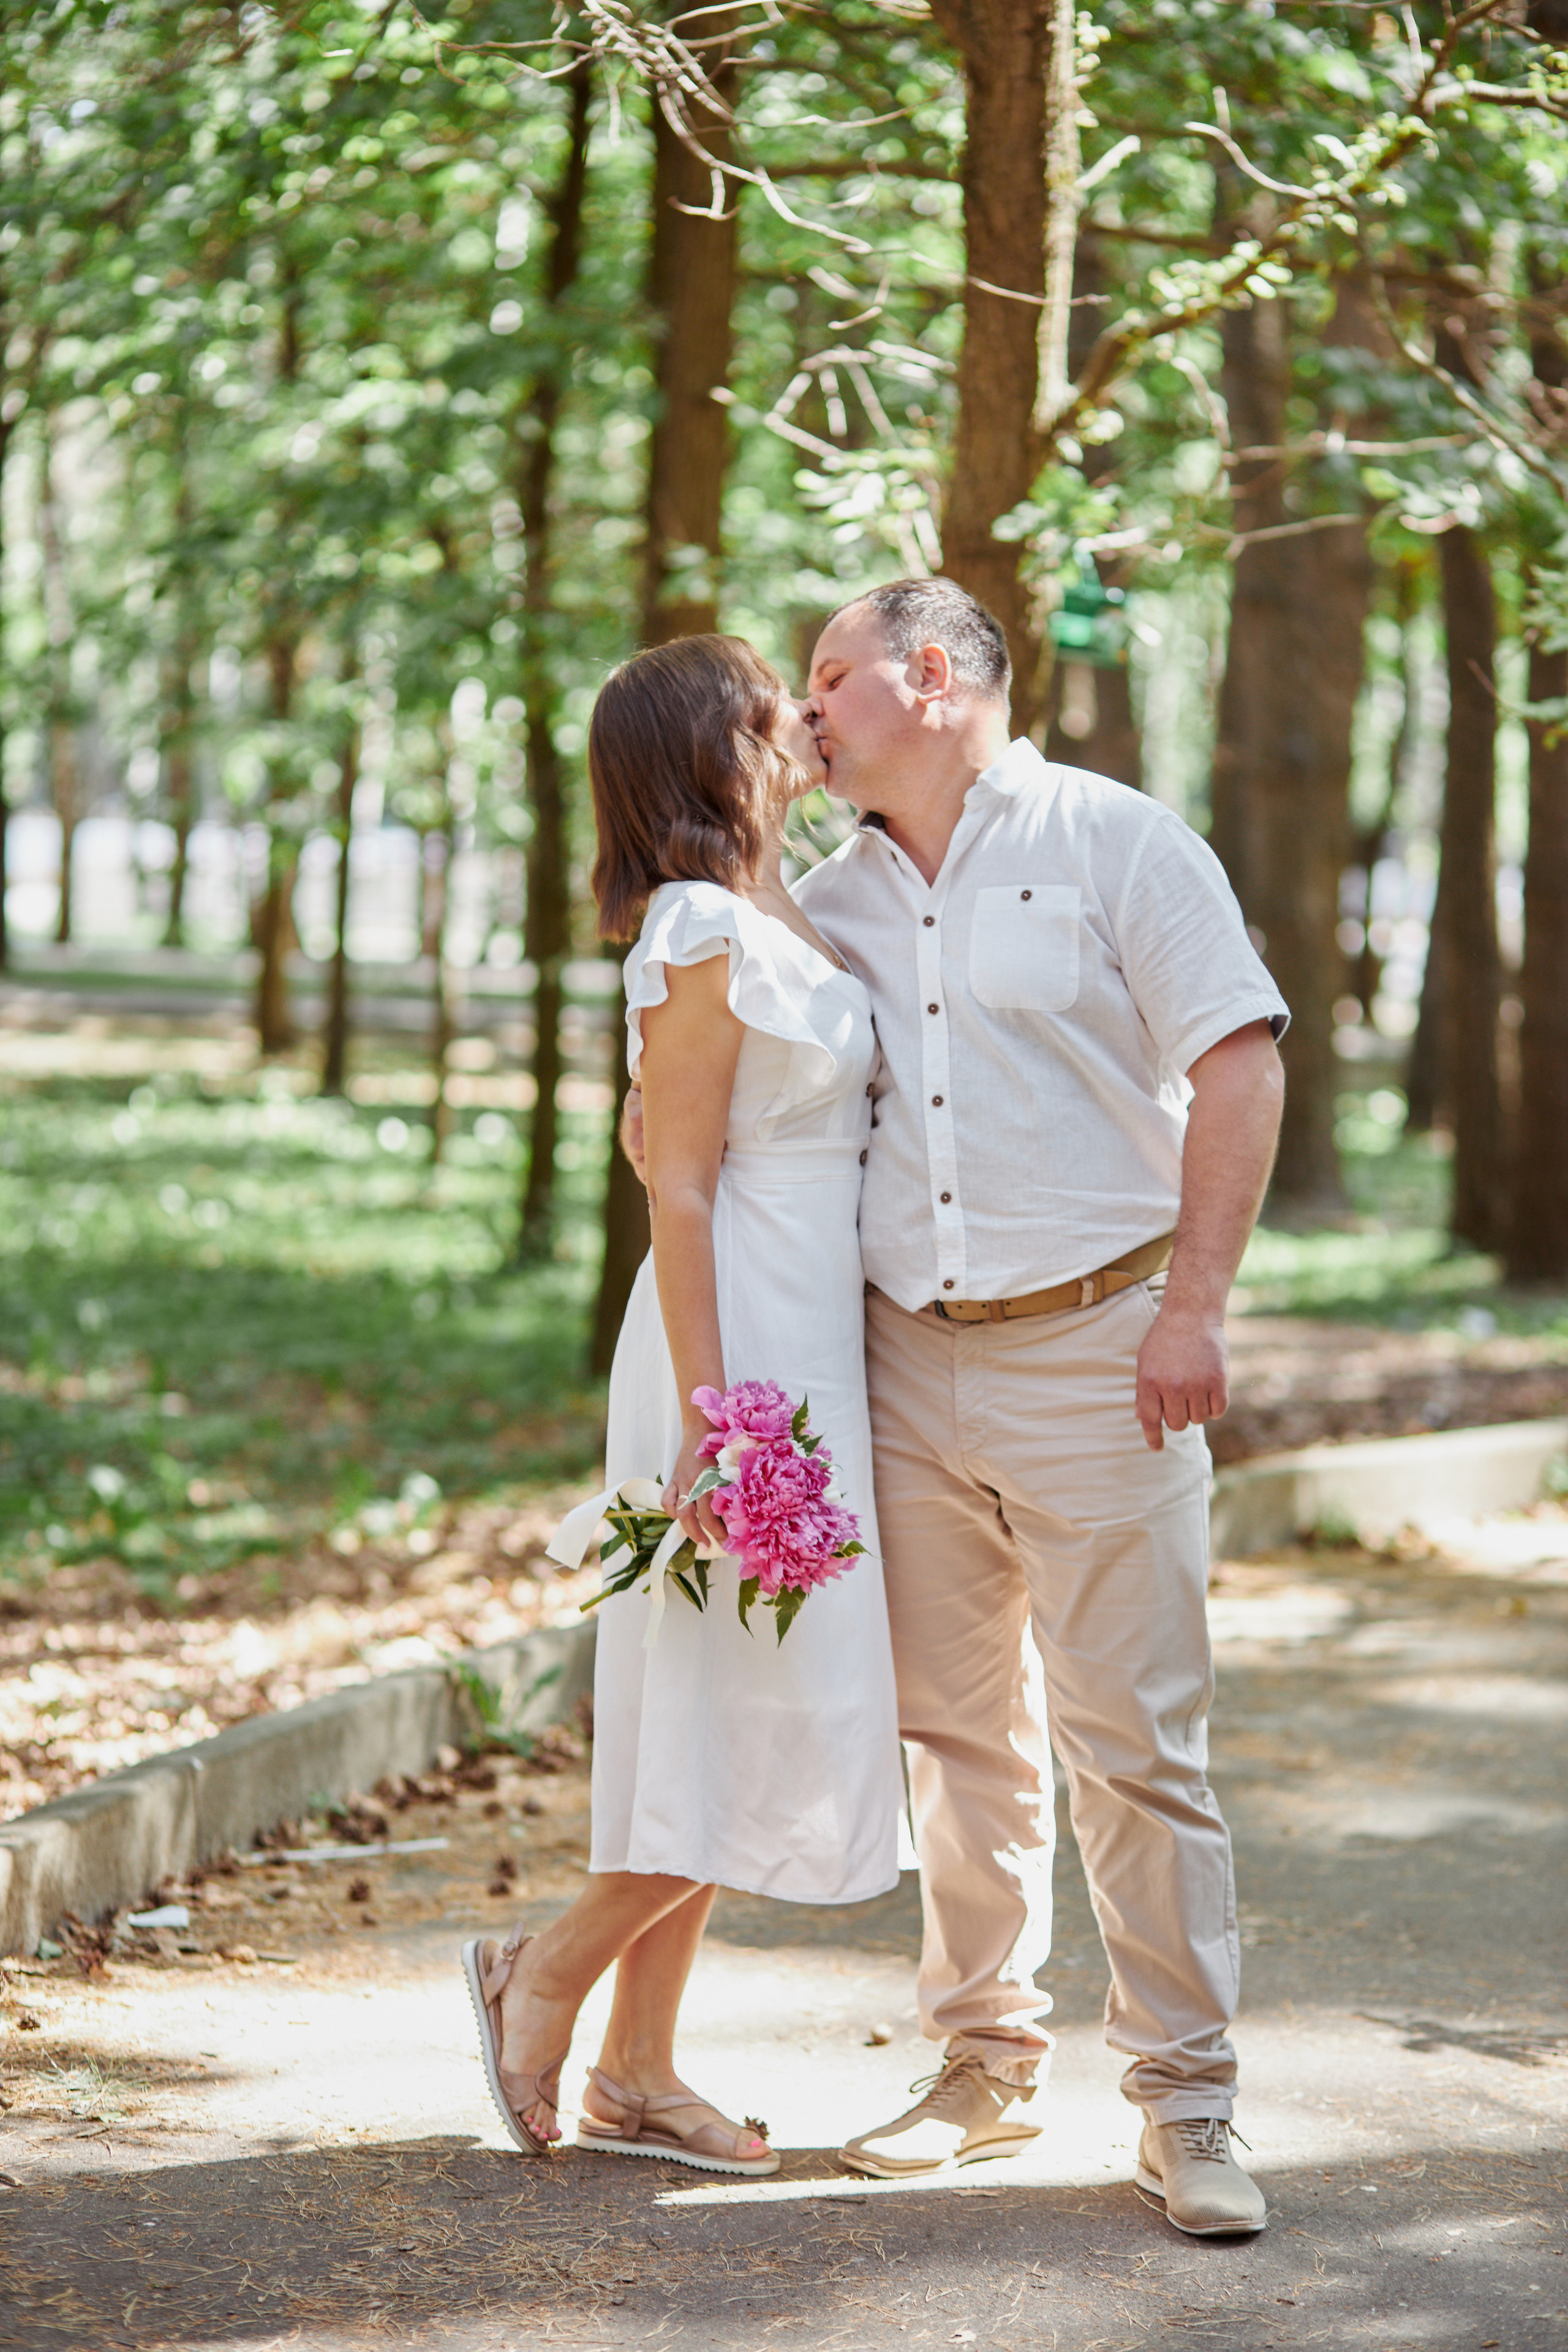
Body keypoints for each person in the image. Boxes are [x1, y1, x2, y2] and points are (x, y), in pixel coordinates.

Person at [789, 577, 1288, 2236]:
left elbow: (1240, 1060)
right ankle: (985, 2068)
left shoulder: (1118, 842)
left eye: (830, 681)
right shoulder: (826, 898)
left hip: (1101, 1352)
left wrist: (1194, 1308)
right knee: (960, 1745)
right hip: (902, 1367)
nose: (808, 715)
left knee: (1135, 1747)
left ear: (931, 677)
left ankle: (1190, 2105)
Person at [462, 634, 903, 2176]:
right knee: (742, 1697)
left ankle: (639, 2073)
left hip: (812, 1336)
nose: (799, 712)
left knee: (726, 1707)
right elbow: (689, 1190)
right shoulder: (700, 926)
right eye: (771, 699)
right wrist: (721, 1427)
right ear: (719, 748)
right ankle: (551, 1975)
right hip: (739, 1344)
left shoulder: (790, 905)